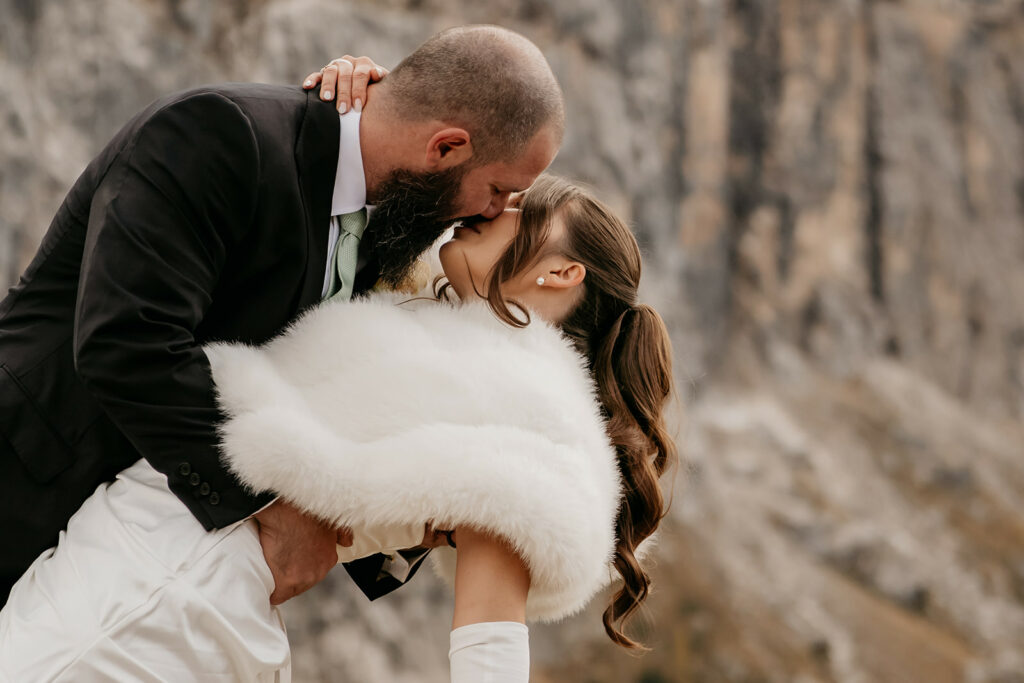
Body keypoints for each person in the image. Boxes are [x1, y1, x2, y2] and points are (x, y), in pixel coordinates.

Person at [0, 175, 677, 682]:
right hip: (136, 565)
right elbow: (364, 195)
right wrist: (355, 87)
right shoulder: (437, 327)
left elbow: (491, 647)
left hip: (163, 602)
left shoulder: (535, 422)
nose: (494, 208)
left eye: (526, 209)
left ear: (562, 271)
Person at [0, 25, 565, 608]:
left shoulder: (385, 228)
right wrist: (268, 506)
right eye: (498, 190)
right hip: (22, 486)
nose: (491, 212)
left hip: (127, 568)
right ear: (445, 147)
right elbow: (127, 339)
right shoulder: (217, 133)